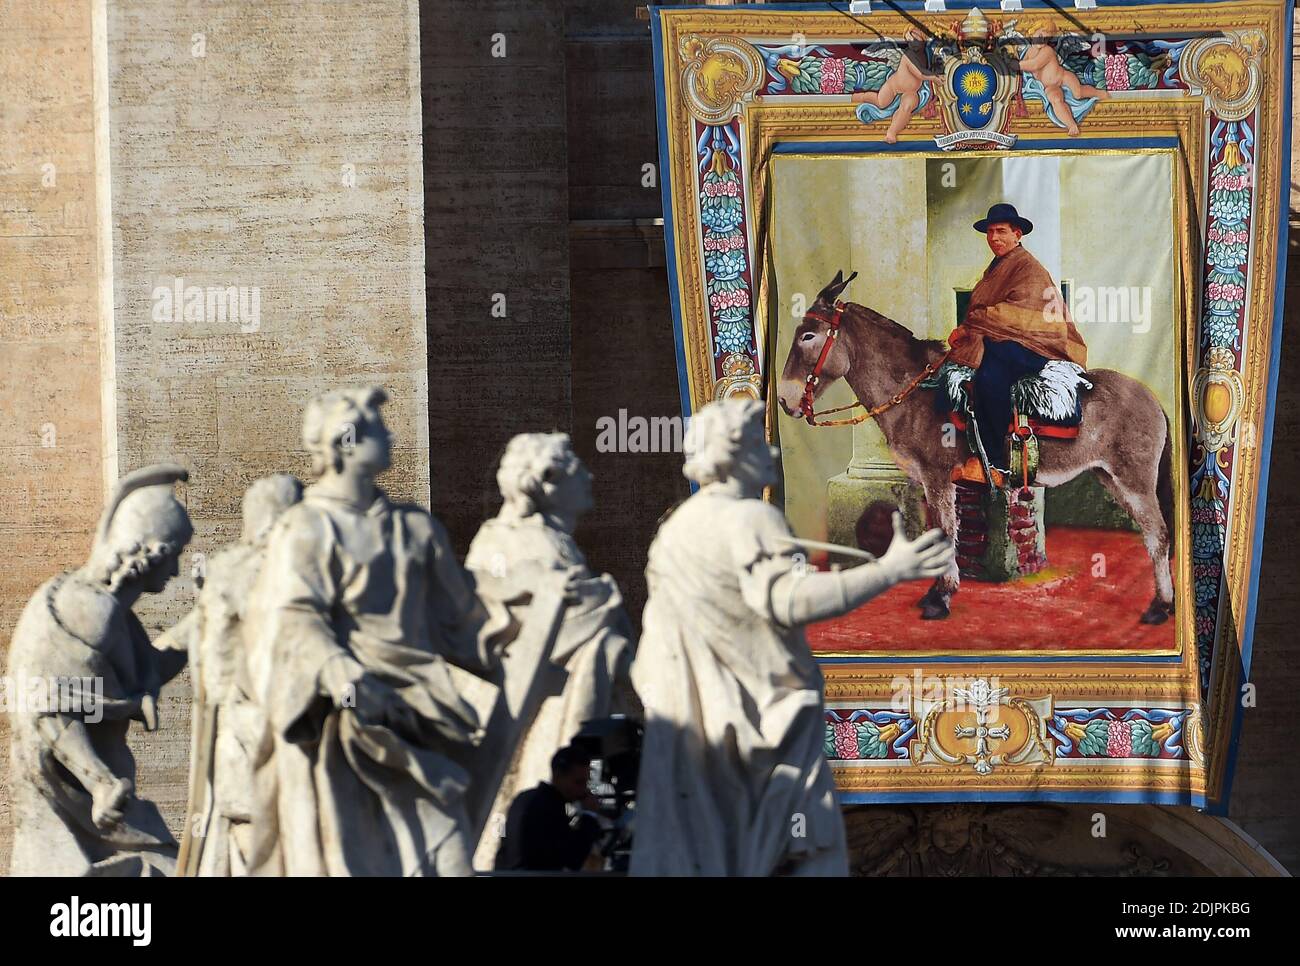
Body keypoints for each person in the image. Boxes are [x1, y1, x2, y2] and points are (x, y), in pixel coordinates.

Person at [629, 399, 953, 876]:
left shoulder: (676, 529)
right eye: (761, 444)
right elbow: (788, 601)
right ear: (736, 452)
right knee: (805, 850)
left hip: (695, 725)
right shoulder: (749, 520)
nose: (774, 453)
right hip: (761, 725)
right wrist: (888, 572)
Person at [244, 386, 513, 876]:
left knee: (450, 858)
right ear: (346, 440)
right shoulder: (307, 528)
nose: (391, 435)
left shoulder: (416, 528)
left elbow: (467, 620)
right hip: (344, 724)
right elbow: (291, 617)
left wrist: (528, 614)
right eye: (379, 427)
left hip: (420, 713)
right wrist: (341, 672)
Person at [6, 465, 193, 876]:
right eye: (175, 555)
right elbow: (50, 707)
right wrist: (99, 782)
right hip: (79, 801)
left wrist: (201, 624)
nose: (177, 571)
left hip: (88, 801)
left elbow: (144, 674)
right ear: (150, 552)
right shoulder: (93, 612)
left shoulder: (101, 605)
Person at [466, 432, 634, 868]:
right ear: (549, 481)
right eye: (578, 470)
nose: (590, 475)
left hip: (561, 696)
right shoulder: (508, 540)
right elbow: (518, 625)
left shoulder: (555, 540)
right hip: (541, 699)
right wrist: (604, 606)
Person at [155, 473, 302, 876]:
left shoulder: (232, 572)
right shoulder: (284, 572)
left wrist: (133, 676)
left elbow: (180, 641)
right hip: (265, 733)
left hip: (245, 733)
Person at [947, 203, 1088, 484]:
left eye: (1001, 231)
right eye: (989, 232)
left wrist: (973, 323)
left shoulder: (1028, 267)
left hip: (1036, 345)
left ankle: (997, 465)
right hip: (1008, 339)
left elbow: (1021, 314)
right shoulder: (999, 267)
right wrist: (970, 328)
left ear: (1017, 234)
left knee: (989, 377)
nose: (994, 238)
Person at [495, 745, 602, 872]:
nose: (584, 789)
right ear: (557, 776)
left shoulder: (526, 798)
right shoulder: (549, 807)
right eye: (578, 782)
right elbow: (573, 857)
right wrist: (589, 815)